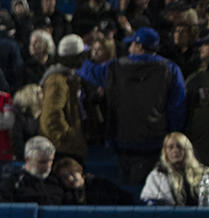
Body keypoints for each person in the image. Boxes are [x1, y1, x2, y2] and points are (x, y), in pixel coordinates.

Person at [79, 27, 187, 185]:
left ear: (139, 46)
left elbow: (87, 71)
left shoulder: (116, 67)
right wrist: (170, 138)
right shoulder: (171, 69)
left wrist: (82, 49)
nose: (129, 49)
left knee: (127, 190)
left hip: (123, 141)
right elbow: (177, 108)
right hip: (155, 142)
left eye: (132, 45)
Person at [38, 34, 88, 164]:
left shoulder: (68, 77)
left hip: (68, 148)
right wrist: (69, 137)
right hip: (63, 150)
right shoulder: (57, 81)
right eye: (81, 55)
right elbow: (51, 116)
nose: (84, 58)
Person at [140, 132, 207, 206]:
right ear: (165, 152)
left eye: (179, 146)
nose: (175, 150)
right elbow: (152, 203)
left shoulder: (204, 173)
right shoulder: (158, 175)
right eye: (171, 147)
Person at [0, 135, 65, 204]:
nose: (48, 166)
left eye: (51, 161)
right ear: (28, 159)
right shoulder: (13, 184)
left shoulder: (57, 182)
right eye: (42, 162)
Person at [53, 157, 135, 206]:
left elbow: (126, 198)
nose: (70, 179)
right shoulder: (66, 194)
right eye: (64, 177)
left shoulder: (100, 184)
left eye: (72, 173)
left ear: (79, 171)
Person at [11, 83, 42, 160]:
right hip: (22, 160)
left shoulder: (37, 117)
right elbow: (16, 144)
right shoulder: (16, 117)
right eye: (40, 93)